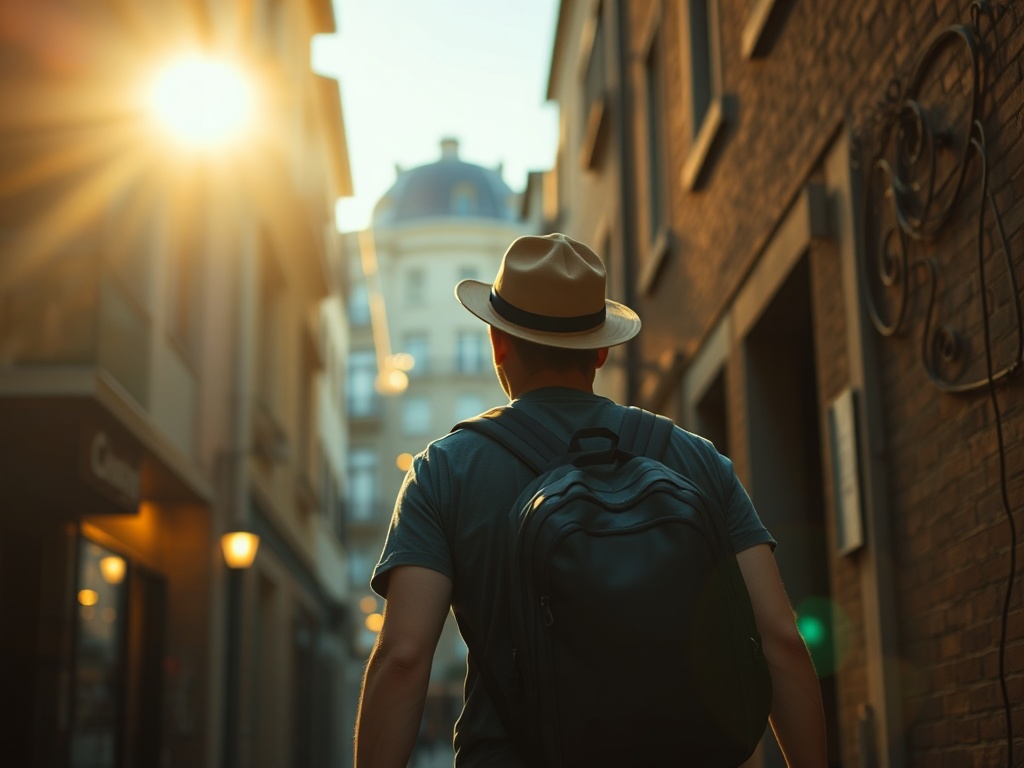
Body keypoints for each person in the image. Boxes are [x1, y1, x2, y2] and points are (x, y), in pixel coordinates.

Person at [354, 233, 828, 767]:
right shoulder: (695, 460)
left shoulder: (444, 471)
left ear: (497, 343)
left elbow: (403, 657)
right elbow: (779, 637)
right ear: (601, 349)